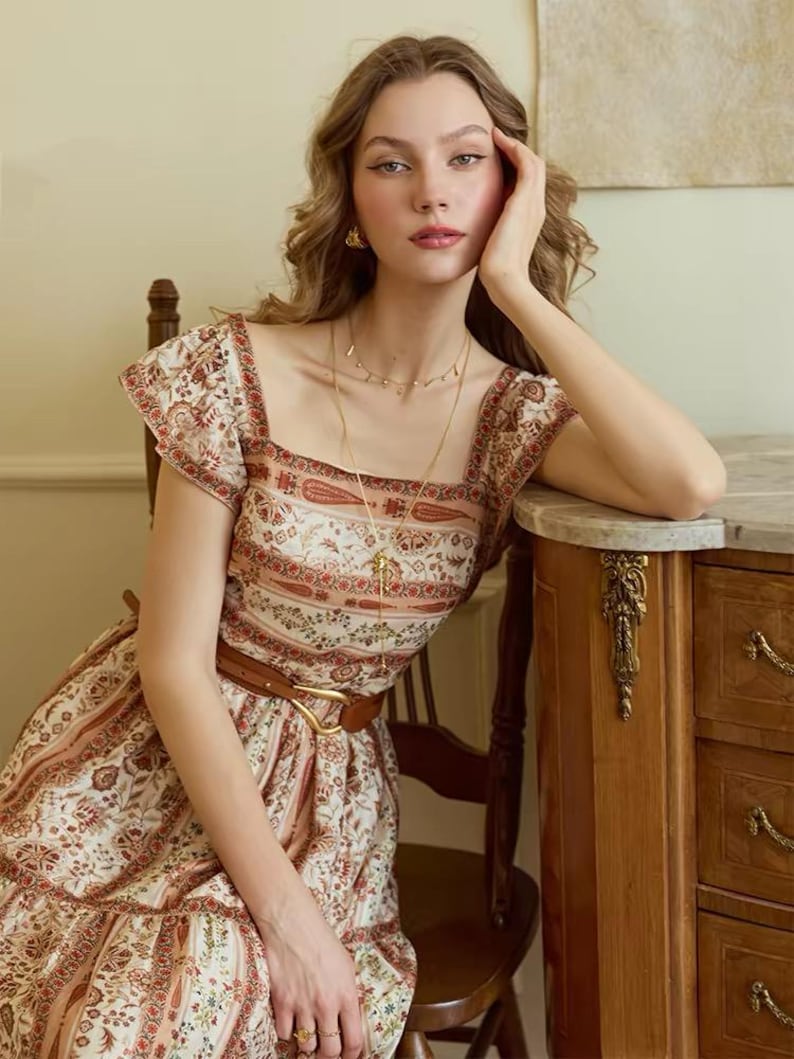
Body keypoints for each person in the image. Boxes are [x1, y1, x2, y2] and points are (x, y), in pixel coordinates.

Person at [0, 32, 726, 1059]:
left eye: (466, 159)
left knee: (201, 1010)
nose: (431, 191)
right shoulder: (235, 372)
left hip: (324, 796)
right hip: (153, 764)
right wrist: (287, 918)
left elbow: (686, 483)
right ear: (350, 205)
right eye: (391, 163)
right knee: (116, 1021)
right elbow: (170, 664)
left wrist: (514, 284)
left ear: (509, 187)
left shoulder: (508, 423)